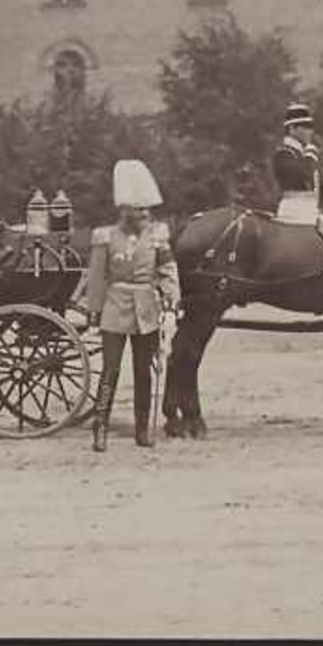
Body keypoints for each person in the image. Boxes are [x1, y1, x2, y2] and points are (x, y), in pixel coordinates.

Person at [82, 159, 180, 451]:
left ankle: (142, 431)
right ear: (124, 211)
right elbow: (98, 278)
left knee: (143, 371)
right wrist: (94, 311)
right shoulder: (106, 237)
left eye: (147, 210)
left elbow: (168, 270)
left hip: (146, 310)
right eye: (139, 210)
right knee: (110, 371)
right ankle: (100, 428)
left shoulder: (158, 237)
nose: (144, 215)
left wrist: (171, 299)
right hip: (114, 309)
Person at [271, 102, 323, 262]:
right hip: (294, 212)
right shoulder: (283, 154)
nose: (310, 131)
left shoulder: (303, 155)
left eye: (310, 126)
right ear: (292, 129)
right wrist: (310, 155)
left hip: (311, 212)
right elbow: (303, 174)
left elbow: (318, 185)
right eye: (305, 127)